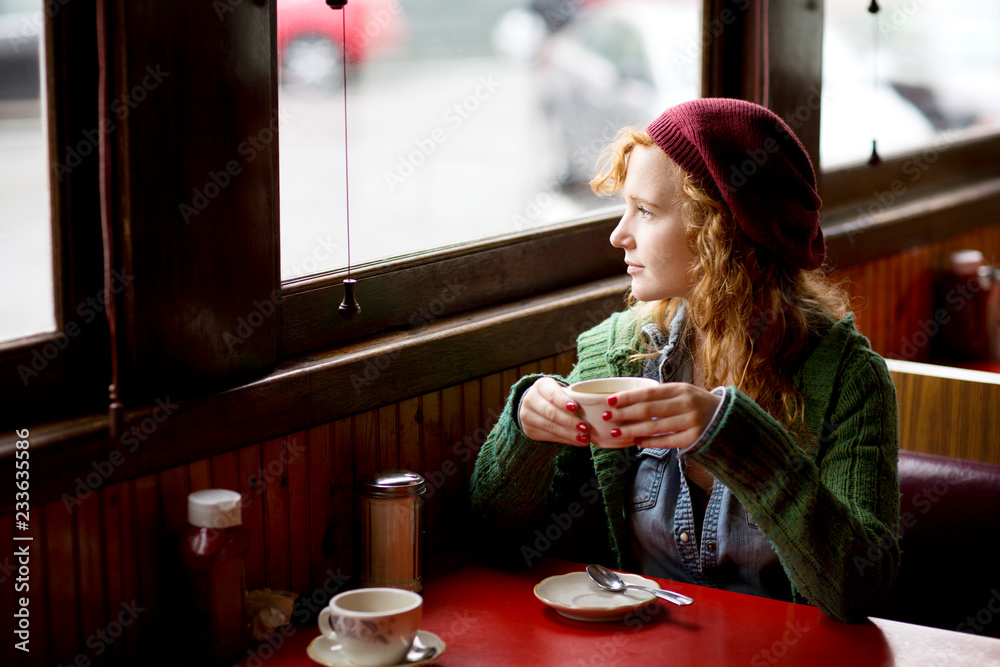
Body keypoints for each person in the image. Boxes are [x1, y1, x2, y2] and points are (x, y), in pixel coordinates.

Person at [468, 98, 900, 623]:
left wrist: (740, 442)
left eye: (646, 212)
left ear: (720, 229)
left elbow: (861, 590)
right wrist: (526, 433)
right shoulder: (621, 352)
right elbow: (495, 540)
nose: (618, 235)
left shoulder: (848, 379)